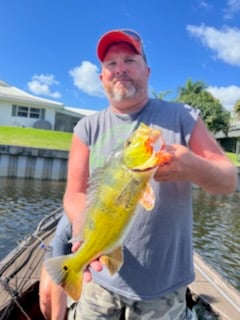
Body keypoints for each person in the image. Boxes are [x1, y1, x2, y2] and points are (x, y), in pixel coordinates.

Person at [40, 29, 238, 320]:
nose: (120, 68)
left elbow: (228, 180)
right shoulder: (86, 128)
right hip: (100, 283)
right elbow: (76, 192)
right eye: (111, 64)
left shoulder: (182, 116)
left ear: (147, 70)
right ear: (101, 78)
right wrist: (83, 233)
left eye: (129, 60)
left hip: (164, 289)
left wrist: (195, 166)